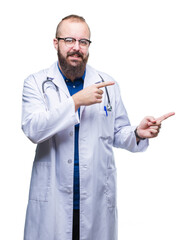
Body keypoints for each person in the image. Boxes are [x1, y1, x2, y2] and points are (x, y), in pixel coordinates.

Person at [21, 14, 175, 240]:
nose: (76, 48)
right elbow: (33, 129)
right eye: (69, 40)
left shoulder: (108, 84)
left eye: (83, 42)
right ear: (56, 43)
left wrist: (137, 133)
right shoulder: (36, 83)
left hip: (95, 201)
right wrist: (75, 101)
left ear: (88, 46)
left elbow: (117, 133)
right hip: (52, 201)